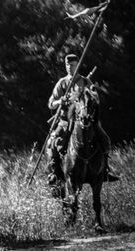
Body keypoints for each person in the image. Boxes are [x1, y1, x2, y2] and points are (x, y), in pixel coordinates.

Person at [46, 54, 118, 185]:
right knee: (53, 142)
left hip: (85, 121)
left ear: (77, 65)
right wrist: (60, 101)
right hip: (66, 121)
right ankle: (55, 173)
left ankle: (105, 169)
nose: (69, 67)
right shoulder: (62, 83)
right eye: (67, 65)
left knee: (105, 140)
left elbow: (96, 99)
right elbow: (51, 104)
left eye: (72, 65)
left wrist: (89, 95)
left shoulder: (86, 82)